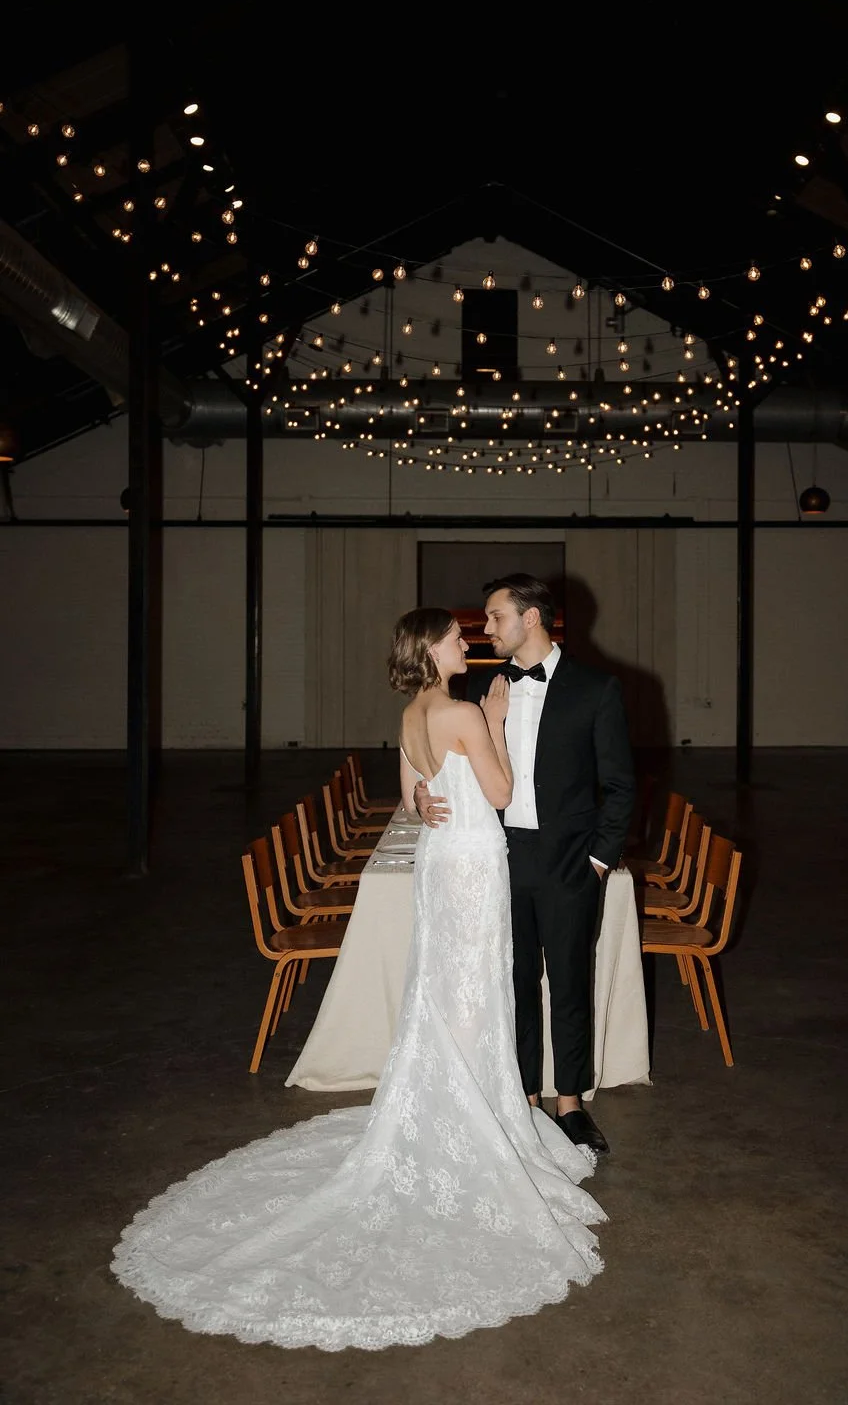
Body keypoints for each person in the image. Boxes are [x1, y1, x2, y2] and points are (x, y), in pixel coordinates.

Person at [110, 608, 606, 1352]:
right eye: (451, 638)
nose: (462, 643)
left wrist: (429, 797)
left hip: (440, 863)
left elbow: (411, 798)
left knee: (442, 990)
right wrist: (497, 722)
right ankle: (477, 1119)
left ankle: (461, 1100)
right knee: (474, 996)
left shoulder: (411, 712)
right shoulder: (467, 709)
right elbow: (502, 795)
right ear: (432, 651)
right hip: (471, 866)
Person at [415, 574, 634, 1157]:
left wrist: (597, 859)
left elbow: (619, 786)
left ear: (531, 618)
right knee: (512, 983)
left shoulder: (596, 688)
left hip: (569, 861)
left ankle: (570, 1102)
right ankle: (523, 1099)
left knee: (568, 980)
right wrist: (419, 794)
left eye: (494, 617)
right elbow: (449, 765)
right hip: (500, 857)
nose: (485, 629)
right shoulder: (486, 687)